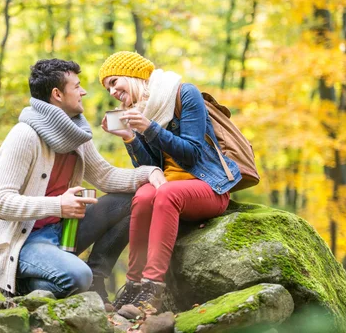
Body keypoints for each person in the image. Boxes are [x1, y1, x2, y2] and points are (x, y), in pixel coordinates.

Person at [0, 58, 163, 301]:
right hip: (23, 242)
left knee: (132, 200)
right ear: (57, 94)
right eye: (77, 86)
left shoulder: (75, 132)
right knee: (78, 276)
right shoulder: (24, 136)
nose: (84, 91)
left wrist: (149, 173)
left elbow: (104, 175)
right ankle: (28, 285)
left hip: (64, 232)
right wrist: (58, 205)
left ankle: (95, 279)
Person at [98, 51, 241, 310]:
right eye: (108, 88)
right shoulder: (140, 109)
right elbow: (148, 168)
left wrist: (149, 128)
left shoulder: (185, 94)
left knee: (165, 194)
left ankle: (152, 288)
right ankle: (133, 285)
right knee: (142, 195)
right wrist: (129, 137)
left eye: (114, 82)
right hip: (170, 187)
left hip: (208, 186)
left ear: (133, 74)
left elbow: (192, 153)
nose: (112, 92)